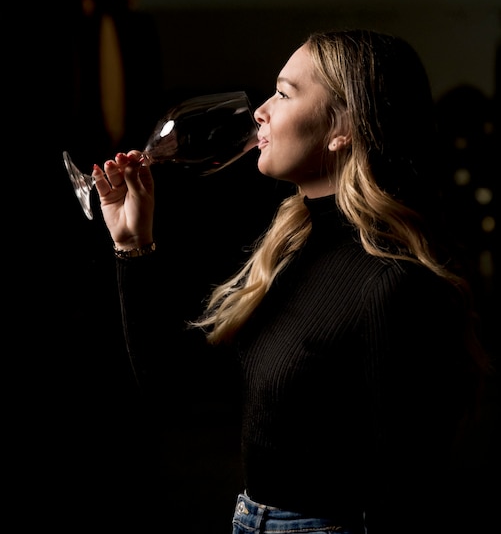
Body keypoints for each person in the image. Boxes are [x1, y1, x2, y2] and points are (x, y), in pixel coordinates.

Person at [92, 29, 491, 534]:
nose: (260, 110)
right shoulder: (292, 249)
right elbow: (173, 389)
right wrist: (132, 244)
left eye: (283, 93)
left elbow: (408, 492)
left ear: (341, 127)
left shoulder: (393, 285)